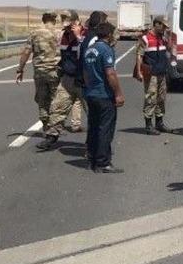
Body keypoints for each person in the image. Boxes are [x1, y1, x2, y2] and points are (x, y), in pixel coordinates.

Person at [37, 10, 85, 151]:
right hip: (67, 79)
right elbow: (60, 55)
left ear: (76, 20)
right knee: (57, 108)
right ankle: (51, 136)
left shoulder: (85, 34)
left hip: (83, 80)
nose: (64, 20)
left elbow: (88, 53)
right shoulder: (63, 35)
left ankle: (95, 143)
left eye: (66, 18)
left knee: (93, 112)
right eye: (62, 18)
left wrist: (78, 37)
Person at [83, 21, 124, 173]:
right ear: (108, 35)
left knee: (93, 127)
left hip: (91, 94)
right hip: (104, 95)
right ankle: (103, 162)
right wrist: (118, 93)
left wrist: (89, 88)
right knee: (105, 129)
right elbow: (110, 73)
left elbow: (86, 73)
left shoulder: (89, 49)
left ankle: (92, 159)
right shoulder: (106, 50)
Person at [15, 12, 60, 129]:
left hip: (40, 71)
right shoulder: (59, 33)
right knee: (55, 99)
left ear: (43, 20)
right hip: (55, 70)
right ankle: (54, 127)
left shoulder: (34, 33)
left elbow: (26, 52)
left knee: (42, 98)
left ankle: (45, 122)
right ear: (54, 20)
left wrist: (20, 69)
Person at [133, 15, 172, 135]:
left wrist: (169, 37)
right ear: (156, 24)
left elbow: (169, 49)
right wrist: (139, 71)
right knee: (151, 98)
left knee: (161, 98)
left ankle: (159, 123)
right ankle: (148, 125)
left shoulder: (163, 38)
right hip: (151, 74)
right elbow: (139, 55)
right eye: (163, 26)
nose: (164, 28)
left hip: (161, 72)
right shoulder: (145, 38)